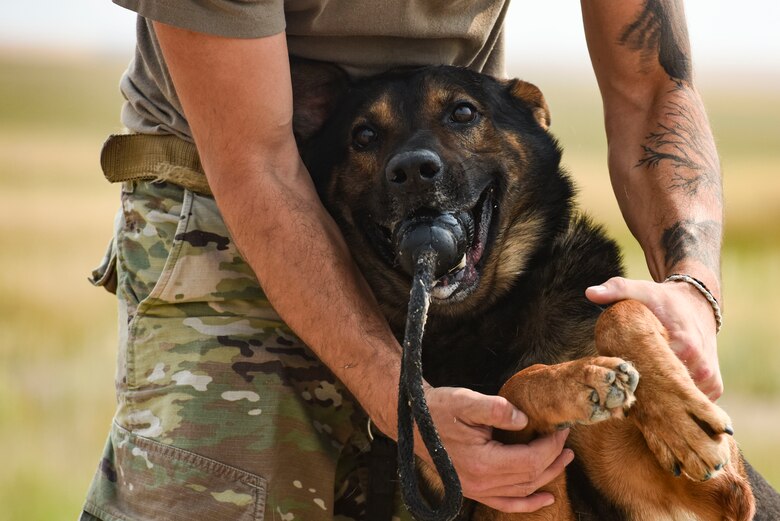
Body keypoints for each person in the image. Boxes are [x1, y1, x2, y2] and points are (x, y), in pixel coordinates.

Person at [81, 1, 724, 519]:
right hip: (231, 197)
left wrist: (694, 288)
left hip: (475, 241)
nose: (415, 160)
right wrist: (404, 405)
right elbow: (257, 165)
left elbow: (652, 82)